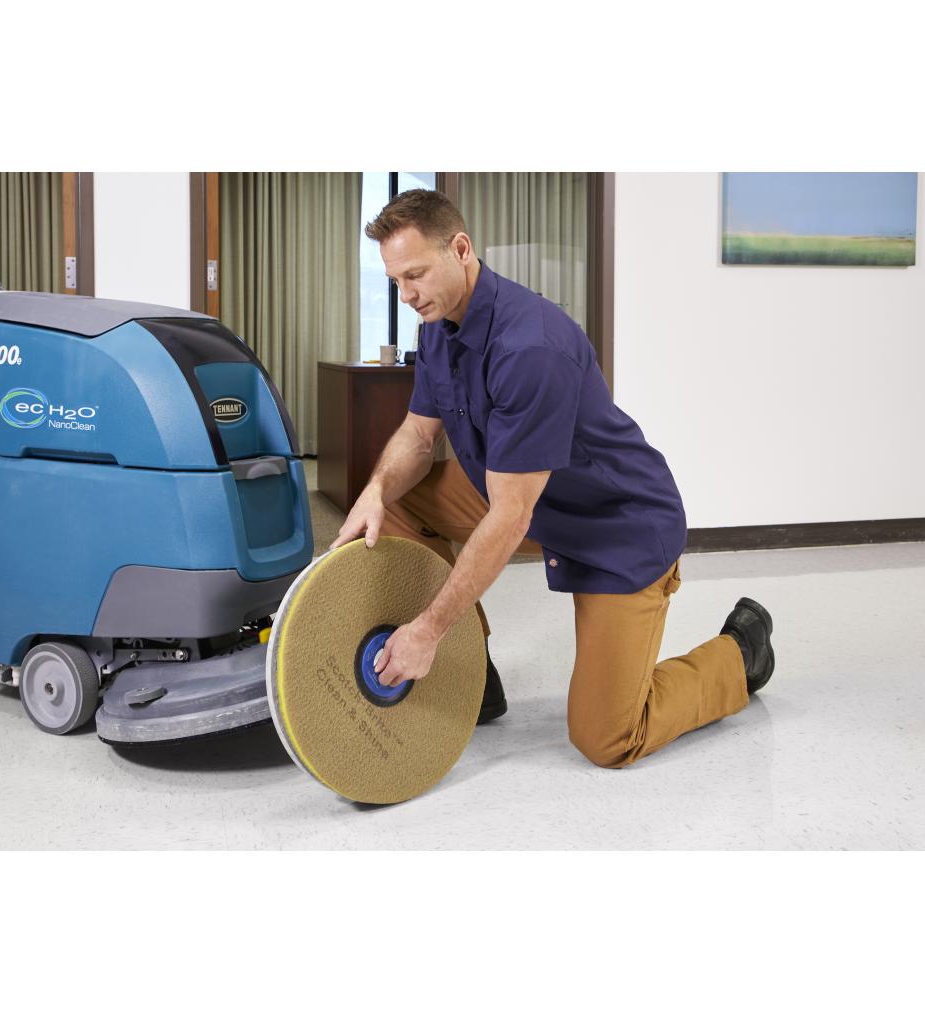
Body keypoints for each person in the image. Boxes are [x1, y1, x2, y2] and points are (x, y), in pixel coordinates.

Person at [330, 188, 774, 768]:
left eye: (415, 275)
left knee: (607, 739)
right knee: (393, 503)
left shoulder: (529, 347)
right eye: (396, 281)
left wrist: (428, 629)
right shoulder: (437, 325)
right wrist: (373, 492)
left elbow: (510, 516)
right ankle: (471, 676)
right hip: (521, 497)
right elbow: (417, 435)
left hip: (614, 527)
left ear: (460, 249)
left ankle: (741, 652)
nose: (407, 294)